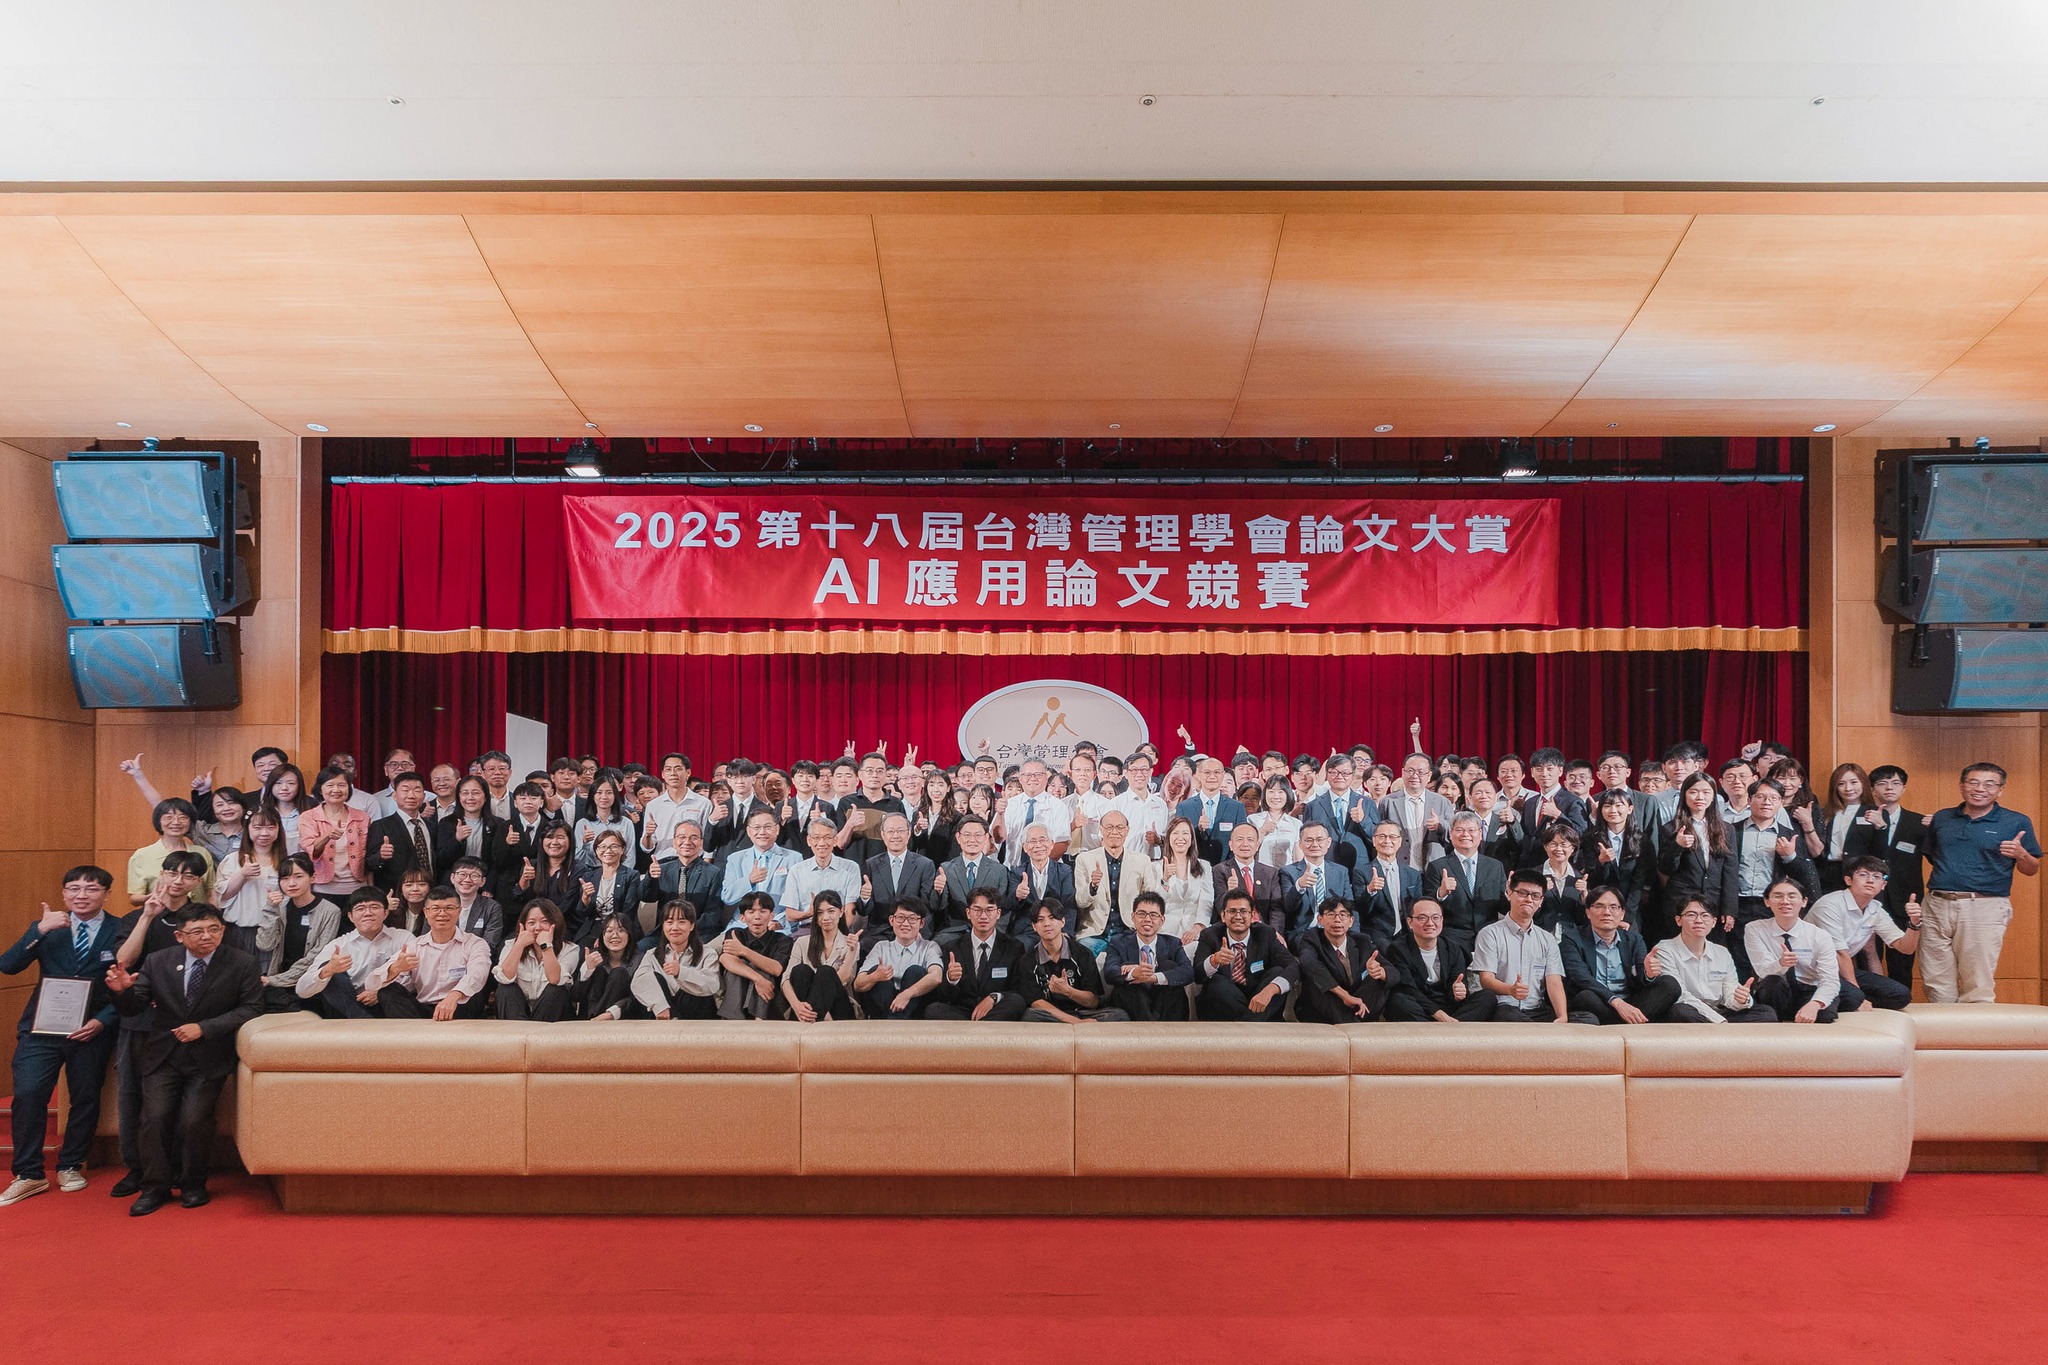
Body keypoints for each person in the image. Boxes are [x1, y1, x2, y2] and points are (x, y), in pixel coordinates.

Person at [104, 903, 261, 1214]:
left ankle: (193, 1184)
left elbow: (252, 1008)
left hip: (208, 1056)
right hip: (163, 1054)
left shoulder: (242, 962)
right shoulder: (158, 961)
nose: (207, 936)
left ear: (223, 931)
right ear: (179, 936)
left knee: (194, 1121)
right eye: (197, 931)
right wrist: (122, 992)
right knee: (154, 1119)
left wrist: (204, 1028)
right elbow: (135, 1006)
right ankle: (154, 1187)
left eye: (214, 929)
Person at [1, 868, 124, 1205]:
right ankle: (29, 1173)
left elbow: (134, 983)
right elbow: (8, 965)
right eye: (73, 888)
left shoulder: (120, 929)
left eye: (91, 889)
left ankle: (71, 1164)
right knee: (28, 1093)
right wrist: (39, 930)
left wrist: (103, 1021)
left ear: (106, 894)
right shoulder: (47, 927)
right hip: (42, 1028)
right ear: (64, 894)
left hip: (91, 1029)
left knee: (85, 1097)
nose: (81, 895)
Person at [109, 848, 208, 1198]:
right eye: (172, 873)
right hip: (140, 1019)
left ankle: (179, 1172)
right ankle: (137, 1169)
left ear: (197, 882)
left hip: (185, 1022)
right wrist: (147, 917)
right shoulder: (136, 917)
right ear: (161, 874)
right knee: (132, 1097)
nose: (178, 881)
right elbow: (123, 962)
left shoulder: (202, 919)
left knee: (178, 1104)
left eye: (188, 875)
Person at [1920, 762, 2041, 1004]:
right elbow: (1935, 856)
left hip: (1984, 906)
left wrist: (2021, 854)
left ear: (2000, 790)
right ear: (1961, 786)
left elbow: (2031, 868)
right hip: (1936, 904)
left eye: (1989, 784)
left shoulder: (2016, 821)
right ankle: (1944, 1027)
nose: (1980, 789)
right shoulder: (1942, 817)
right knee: (1935, 980)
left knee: (1977, 982)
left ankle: (1975, 1028)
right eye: (1973, 782)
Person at [1727, 780, 1821, 974]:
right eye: (1760, 797)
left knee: (1770, 956)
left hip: (1771, 905)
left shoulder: (1790, 834)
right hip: (1737, 904)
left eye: (1773, 798)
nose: (1767, 802)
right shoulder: (1730, 830)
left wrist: (1790, 856)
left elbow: (1804, 875)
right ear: (1749, 800)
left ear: (1780, 803)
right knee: (1738, 957)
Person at [1807, 855, 1920, 1011]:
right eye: (1863, 874)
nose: (1870, 880)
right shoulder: (1830, 905)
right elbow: (1840, 954)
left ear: (1883, 885)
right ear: (1848, 880)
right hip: (1811, 971)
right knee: (1853, 997)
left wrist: (1914, 923)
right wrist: (1858, 997)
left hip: (1839, 973)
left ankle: (1842, 1000)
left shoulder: (1876, 909)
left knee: (1900, 995)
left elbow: (1905, 947)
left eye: (1876, 877)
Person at [1558, 887, 1681, 1024]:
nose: (1606, 912)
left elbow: (1640, 979)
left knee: (1670, 985)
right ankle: (1630, 1021)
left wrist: (1648, 975)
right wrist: (1616, 1002)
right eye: (1599, 906)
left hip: (1630, 1001)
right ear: (1588, 912)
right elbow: (1581, 978)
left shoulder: (1634, 939)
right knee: (1585, 997)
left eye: (1613, 907)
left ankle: (1620, 1021)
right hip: (1598, 1000)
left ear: (1622, 914)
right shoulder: (1572, 939)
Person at [367, 884, 492, 1019]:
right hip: (424, 1008)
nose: (442, 913)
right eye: (436, 908)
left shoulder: (475, 943)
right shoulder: (414, 946)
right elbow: (371, 984)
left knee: (473, 994)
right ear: (426, 912)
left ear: (459, 911)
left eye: (449, 908)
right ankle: (412, 1032)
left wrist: (454, 995)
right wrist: (396, 968)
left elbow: (478, 974)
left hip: (460, 1006)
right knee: (388, 991)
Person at [1471, 868, 1576, 1022]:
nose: (1528, 899)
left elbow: (1554, 981)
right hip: (1504, 1007)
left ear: (1541, 901)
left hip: (1537, 1009)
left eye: (1535, 896)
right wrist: (1510, 990)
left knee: (1587, 1019)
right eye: (1522, 893)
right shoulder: (1490, 934)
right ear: (1509, 893)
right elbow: (1486, 979)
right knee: (1516, 1019)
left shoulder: (1547, 939)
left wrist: (1562, 1016)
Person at [1654, 898, 1776, 1023]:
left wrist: (1740, 1000)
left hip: (1720, 1012)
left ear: (1713, 922)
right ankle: (1722, 1029)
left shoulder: (1722, 952)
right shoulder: (1665, 949)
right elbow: (1680, 995)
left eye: (1705, 915)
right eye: (1691, 915)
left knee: (1767, 1013)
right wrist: (1717, 1019)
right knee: (1681, 1011)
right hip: (1691, 1009)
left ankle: (1715, 1028)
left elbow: (1729, 989)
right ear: (1678, 920)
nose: (1699, 920)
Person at [296, 888, 411, 1018]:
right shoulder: (338, 945)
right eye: (360, 909)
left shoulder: (403, 938)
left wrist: (380, 993)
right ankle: (364, 1021)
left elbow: (415, 979)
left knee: (392, 991)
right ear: (350, 916)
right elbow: (302, 990)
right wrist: (326, 971)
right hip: (350, 1006)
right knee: (329, 970)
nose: (368, 913)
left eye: (374, 907)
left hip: (391, 1005)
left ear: (385, 913)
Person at [1652, 772, 1736, 950]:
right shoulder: (1671, 828)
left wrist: (1729, 908)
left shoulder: (1726, 830)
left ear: (1713, 796)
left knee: (1713, 953)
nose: (1700, 797)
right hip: (1681, 905)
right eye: (1694, 792)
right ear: (1684, 795)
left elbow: (1730, 871)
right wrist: (1677, 846)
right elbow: (1665, 868)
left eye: (1706, 792)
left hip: (1713, 904)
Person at [1744, 878, 1846, 1023]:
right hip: (1777, 990)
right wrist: (1781, 963)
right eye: (1778, 896)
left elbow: (1830, 979)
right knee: (1772, 982)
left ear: (1804, 901)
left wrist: (1814, 1004)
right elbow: (1762, 971)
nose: (1785, 901)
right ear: (1767, 901)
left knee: (1825, 1014)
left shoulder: (1820, 935)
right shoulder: (1754, 929)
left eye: (1792, 896)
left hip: (1808, 988)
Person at [1191, 888, 1296, 1021]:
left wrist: (1270, 990)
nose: (1238, 916)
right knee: (1216, 983)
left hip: (1257, 998)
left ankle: (1247, 1024)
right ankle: (1252, 1024)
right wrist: (1214, 960)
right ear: (1223, 916)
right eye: (1232, 911)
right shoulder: (1210, 935)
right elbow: (1197, 976)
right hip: (1224, 1006)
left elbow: (1293, 966)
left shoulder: (1265, 933)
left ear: (1252, 916)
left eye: (1243, 911)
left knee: (1277, 972)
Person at [1866, 764, 1927, 990]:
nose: (1889, 788)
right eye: (1882, 783)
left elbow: (1936, 857)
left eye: (1895, 783)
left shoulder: (1919, 822)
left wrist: (1939, 829)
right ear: (1873, 790)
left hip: (1905, 899)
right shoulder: (1863, 819)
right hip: (1869, 897)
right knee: (1868, 957)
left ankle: (1901, 1000)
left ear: (1904, 788)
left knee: (1902, 962)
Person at [1017, 900, 1128, 1023]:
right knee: (1029, 1015)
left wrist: (1068, 991)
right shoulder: (1028, 960)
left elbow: (1094, 1001)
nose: (1047, 924)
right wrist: (1075, 1022)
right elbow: (1036, 1002)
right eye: (1040, 920)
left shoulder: (1083, 953)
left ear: (1063, 921)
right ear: (1034, 926)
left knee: (1119, 1015)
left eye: (1052, 918)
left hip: (1083, 1012)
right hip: (1052, 1015)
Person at [255, 853, 341, 1011]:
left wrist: (276, 980)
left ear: (313, 878)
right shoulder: (279, 907)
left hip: (309, 983)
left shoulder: (330, 911)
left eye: (298, 876)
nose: (291, 883)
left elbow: (315, 957)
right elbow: (264, 944)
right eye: (285, 878)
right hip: (278, 982)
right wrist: (271, 909)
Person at [1383, 898, 1492, 1023]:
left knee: (1487, 997)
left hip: (1448, 1006)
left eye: (1435, 918)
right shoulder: (1398, 949)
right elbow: (1408, 989)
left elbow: (1456, 983)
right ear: (1410, 922)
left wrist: (1458, 993)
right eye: (1422, 918)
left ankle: (1442, 1029)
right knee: (1398, 1001)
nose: (1430, 923)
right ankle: (1453, 1029)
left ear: (1442, 920)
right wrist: (1438, 1014)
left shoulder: (1453, 948)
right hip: (1419, 1005)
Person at [926, 891, 1030, 1021]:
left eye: (989, 910)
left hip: (995, 1010)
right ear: (968, 913)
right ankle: (980, 1029)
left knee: (1016, 1002)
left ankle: (973, 1030)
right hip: (962, 1011)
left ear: (998, 913)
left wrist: (994, 998)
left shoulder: (1014, 947)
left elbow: (1018, 990)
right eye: (977, 910)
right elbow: (944, 996)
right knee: (933, 1009)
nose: (983, 916)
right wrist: (951, 979)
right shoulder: (952, 948)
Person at [1292, 900, 1395, 1023]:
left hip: (1356, 1006)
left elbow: (1394, 972)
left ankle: (1351, 1021)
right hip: (1325, 1010)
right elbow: (1309, 964)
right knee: (1316, 981)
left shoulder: (1362, 941)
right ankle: (1352, 1023)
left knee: (1379, 981)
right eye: (1331, 914)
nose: (1337, 920)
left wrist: (1381, 972)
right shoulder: (1311, 939)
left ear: (1351, 921)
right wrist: (1344, 995)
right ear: (1320, 920)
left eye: (1343, 915)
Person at [1073, 810, 1162, 950]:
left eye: (1119, 827)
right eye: (1109, 827)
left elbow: (1151, 899)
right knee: (1082, 955)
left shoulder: (1142, 861)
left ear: (1127, 831)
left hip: (1129, 932)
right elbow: (1080, 901)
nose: (1114, 832)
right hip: (1095, 933)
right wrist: (1092, 886)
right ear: (1101, 830)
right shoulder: (1084, 859)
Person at [1424, 811, 1507, 959]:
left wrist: (1510, 895)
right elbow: (1426, 907)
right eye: (1459, 830)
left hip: (1489, 937)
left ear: (1480, 834)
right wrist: (1441, 893)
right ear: (1451, 834)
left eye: (1471, 830)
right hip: (1452, 940)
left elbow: (1504, 908)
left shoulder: (1495, 866)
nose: (1465, 834)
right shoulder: (1437, 866)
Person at [1102, 892, 1195, 1021]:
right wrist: (1134, 973)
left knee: (1169, 967)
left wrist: (1154, 977)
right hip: (1133, 1008)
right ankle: (1150, 1028)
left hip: (1166, 1009)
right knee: (1127, 976)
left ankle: (1166, 1030)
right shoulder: (1118, 942)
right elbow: (1110, 972)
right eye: (1141, 914)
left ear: (1162, 920)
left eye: (1153, 915)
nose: (1147, 919)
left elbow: (1188, 972)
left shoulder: (1173, 943)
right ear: (1133, 917)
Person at [493, 899, 580, 1020]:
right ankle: (520, 1031)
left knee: (556, 991)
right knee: (505, 990)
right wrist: (519, 945)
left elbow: (555, 979)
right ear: (523, 926)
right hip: (518, 1012)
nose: (537, 928)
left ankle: (534, 1031)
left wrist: (546, 946)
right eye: (531, 923)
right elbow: (504, 977)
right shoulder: (511, 945)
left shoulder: (570, 949)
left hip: (552, 1015)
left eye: (544, 921)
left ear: (555, 923)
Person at [854, 901, 945, 1018]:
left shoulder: (929, 947)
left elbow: (936, 977)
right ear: (891, 920)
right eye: (900, 918)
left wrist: (907, 994)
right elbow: (857, 985)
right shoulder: (881, 947)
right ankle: (895, 1019)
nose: (905, 924)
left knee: (915, 971)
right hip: (884, 1003)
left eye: (912, 919)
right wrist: (875, 976)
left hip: (915, 1007)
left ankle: (893, 1021)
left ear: (921, 923)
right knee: (876, 972)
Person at [215, 807, 286, 955]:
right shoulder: (233, 859)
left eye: (271, 827)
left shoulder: (286, 861)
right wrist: (242, 874)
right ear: (247, 829)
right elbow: (223, 896)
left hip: (272, 929)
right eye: (257, 827)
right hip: (238, 931)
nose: (264, 833)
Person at [634, 901, 720, 1019]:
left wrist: (680, 972)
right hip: (664, 1015)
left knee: (698, 991)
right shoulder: (652, 955)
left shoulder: (707, 953)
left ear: (692, 926)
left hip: (697, 1015)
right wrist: (660, 1006)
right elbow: (639, 981)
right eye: (669, 922)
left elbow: (712, 985)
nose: (675, 928)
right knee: (652, 979)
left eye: (681, 922)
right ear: (663, 926)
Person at [783, 892, 860, 1021]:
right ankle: (811, 1018)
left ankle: (814, 1020)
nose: (825, 917)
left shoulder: (851, 943)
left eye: (831, 911)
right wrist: (797, 1006)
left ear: (841, 912)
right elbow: (785, 979)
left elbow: (843, 980)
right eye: (820, 913)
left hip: (839, 1009)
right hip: (805, 1010)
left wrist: (852, 951)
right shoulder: (802, 942)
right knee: (800, 971)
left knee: (826, 972)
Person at [715, 892, 791, 1020]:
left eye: (763, 911)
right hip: (738, 998)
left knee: (764, 971)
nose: (757, 917)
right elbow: (725, 958)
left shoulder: (783, 940)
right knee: (735, 972)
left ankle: (758, 1021)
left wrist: (743, 951)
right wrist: (757, 979)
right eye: (751, 912)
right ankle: (733, 1021)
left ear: (771, 915)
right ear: (742, 917)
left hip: (770, 1002)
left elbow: (776, 969)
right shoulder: (735, 933)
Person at [298, 765, 370, 899]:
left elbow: (369, 855)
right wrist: (328, 836)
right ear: (320, 789)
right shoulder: (308, 817)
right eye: (330, 785)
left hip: (357, 889)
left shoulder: (362, 817)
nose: (336, 790)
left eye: (342, 785)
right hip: (322, 889)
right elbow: (311, 850)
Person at [126, 797, 214, 907]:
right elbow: (134, 898)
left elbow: (211, 891)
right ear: (159, 821)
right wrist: (151, 897)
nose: (176, 822)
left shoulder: (202, 852)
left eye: (183, 817)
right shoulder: (142, 855)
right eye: (169, 817)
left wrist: (214, 913)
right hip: (159, 913)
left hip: (197, 915)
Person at [1578, 789, 1650, 920]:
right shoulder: (1590, 839)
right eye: (1607, 806)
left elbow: (1639, 881)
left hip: (1631, 910)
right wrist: (1601, 862)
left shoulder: (1641, 840)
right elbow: (1591, 880)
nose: (1613, 810)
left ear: (1630, 809)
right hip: (1600, 907)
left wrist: (1626, 916)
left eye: (1618, 805)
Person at [363, 770, 439, 893]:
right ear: (394, 796)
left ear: (424, 796)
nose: (411, 795)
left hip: (429, 892)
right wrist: (380, 856)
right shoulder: (381, 826)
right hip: (396, 894)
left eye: (417, 790)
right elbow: (368, 864)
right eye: (405, 790)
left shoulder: (431, 826)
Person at [646, 821, 726, 937]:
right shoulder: (662, 869)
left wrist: (686, 930)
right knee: (641, 946)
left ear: (701, 843)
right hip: (666, 932)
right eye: (682, 837)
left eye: (694, 838)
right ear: (674, 842)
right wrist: (651, 878)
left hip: (699, 933)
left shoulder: (714, 873)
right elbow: (647, 898)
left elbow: (713, 913)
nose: (687, 842)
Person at [863, 812, 939, 927]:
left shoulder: (924, 865)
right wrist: (865, 898)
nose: (896, 836)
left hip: (912, 929)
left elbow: (926, 907)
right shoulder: (871, 865)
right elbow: (864, 911)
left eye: (900, 831)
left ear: (909, 833)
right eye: (891, 831)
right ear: (883, 835)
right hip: (880, 929)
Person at [1281, 821, 1356, 937]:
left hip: (1336, 931)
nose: (1315, 844)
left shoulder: (1341, 871)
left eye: (1319, 840)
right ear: (1300, 844)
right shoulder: (1288, 872)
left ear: (1328, 842)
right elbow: (1288, 907)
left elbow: (1350, 906)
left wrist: (1354, 933)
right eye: (1309, 840)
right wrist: (1299, 886)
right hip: (1304, 933)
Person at [1386, 752, 1459, 871]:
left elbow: (1454, 834)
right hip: (1399, 867)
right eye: (1410, 771)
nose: (1415, 776)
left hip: (1433, 867)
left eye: (1420, 772)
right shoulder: (1388, 802)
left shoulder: (1442, 802)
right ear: (1403, 773)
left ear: (1429, 775)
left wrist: (1440, 824)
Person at [1216, 820, 1288, 934]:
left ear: (1257, 845)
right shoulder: (1220, 870)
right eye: (1240, 839)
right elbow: (1219, 908)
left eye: (1250, 840)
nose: (1245, 844)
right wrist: (1229, 892)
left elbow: (1276, 909)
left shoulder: (1270, 873)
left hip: (1265, 930)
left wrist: (1274, 933)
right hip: (1234, 930)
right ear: (1231, 845)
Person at [1006, 823, 1078, 937]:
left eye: (1042, 840)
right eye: (1033, 841)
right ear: (1025, 847)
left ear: (1051, 844)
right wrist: (1017, 896)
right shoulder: (1017, 873)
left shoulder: (1064, 871)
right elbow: (1008, 905)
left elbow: (1069, 904)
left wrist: (1066, 932)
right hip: (1027, 929)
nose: (1038, 845)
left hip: (1056, 928)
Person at [1174, 756, 1248, 865]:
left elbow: (1241, 839)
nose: (1212, 776)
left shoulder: (1236, 807)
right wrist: (1198, 829)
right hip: (1193, 866)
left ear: (1223, 775)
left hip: (1226, 868)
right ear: (1199, 774)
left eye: (1217, 772)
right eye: (1207, 772)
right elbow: (1178, 839)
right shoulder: (1184, 807)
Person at [1301, 759, 1374, 869]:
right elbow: (1306, 838)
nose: (1339, 776)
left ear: (1353, 775)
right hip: (1326, 865)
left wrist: (1363, 821)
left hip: (1359, 866)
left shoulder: (1367, 803)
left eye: (1345, 773)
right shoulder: (1313, 806)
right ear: (1327, 774)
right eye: (1334, 772)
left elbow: (1377, 837)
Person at [1357, 820, 1422, 941]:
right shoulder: (1362, 872)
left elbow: (1419, 907)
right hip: (1377, 936)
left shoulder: (1413, 874)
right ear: (1374, 841)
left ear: (1400, 841)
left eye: (1392, 837)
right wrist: (1369, 890)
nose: (1387, 841)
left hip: (1409, 935)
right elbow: (1360, 910)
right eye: (1382, 836)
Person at [1156, 815, 1215, 949]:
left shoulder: (1204, 866)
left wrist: (1196, 929)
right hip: (1163, 933)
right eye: (1175, 833)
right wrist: (1165, 880)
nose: (1180, 838)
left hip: (1194, 933)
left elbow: (1206, 902)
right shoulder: (1156, 867)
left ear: (1192, 838)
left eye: (1185, 833)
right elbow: (1154, 905)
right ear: (1168, 838)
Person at [574, 830, 644, 942]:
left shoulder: (631, 876)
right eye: (602, 847)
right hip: (593, 928)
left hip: (622, 927)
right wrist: (585, 898)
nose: (608, 851)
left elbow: (628, 911)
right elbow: (581, 913)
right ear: (596, 850)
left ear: (622, 850)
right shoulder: (588, 876)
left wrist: (608, 934)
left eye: (614, 846)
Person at [999, 760, 1072, 862]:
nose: (1033, 778)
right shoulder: (1010, 804)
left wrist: (1039, 865)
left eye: (1038, 775)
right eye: (1028, 775)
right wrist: (999, 815)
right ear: (1020, 779)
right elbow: (998, 838)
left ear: (1046, 778)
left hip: (1047, 868)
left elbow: (1062, 842)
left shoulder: (1057, 806)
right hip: (1013, 867)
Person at [576, 913, 639, 1020]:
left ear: (629, 934)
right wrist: (587, 969)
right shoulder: (591, 956)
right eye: (609, 931)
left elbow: (637, 999)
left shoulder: (640, 960)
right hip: (589, 1017)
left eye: (621, 930)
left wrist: (612, 1013)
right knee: (599, 971)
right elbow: (576, 996)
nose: (615, 935)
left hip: (622, 1016)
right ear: (602, 935)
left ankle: (598, 1018)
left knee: (619, 973)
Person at [446, 856, 508, 957]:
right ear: (452, 878)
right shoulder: (440, 904)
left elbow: (489, 944)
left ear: (483, 881)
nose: (467, 880)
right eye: (462, 874)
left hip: (477, 960)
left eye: (474, 876)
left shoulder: (491, 907)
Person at [1249, 777, 1303, 870]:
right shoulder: (1253, 820)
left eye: (1281, 792)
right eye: (1271, 791)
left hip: (1286, 875)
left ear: (1288, 794)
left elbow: (1298, 859)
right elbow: (1247, 852)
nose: (1276, 796)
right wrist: (1262, 831)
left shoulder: (1296, 824)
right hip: (1261, 874)